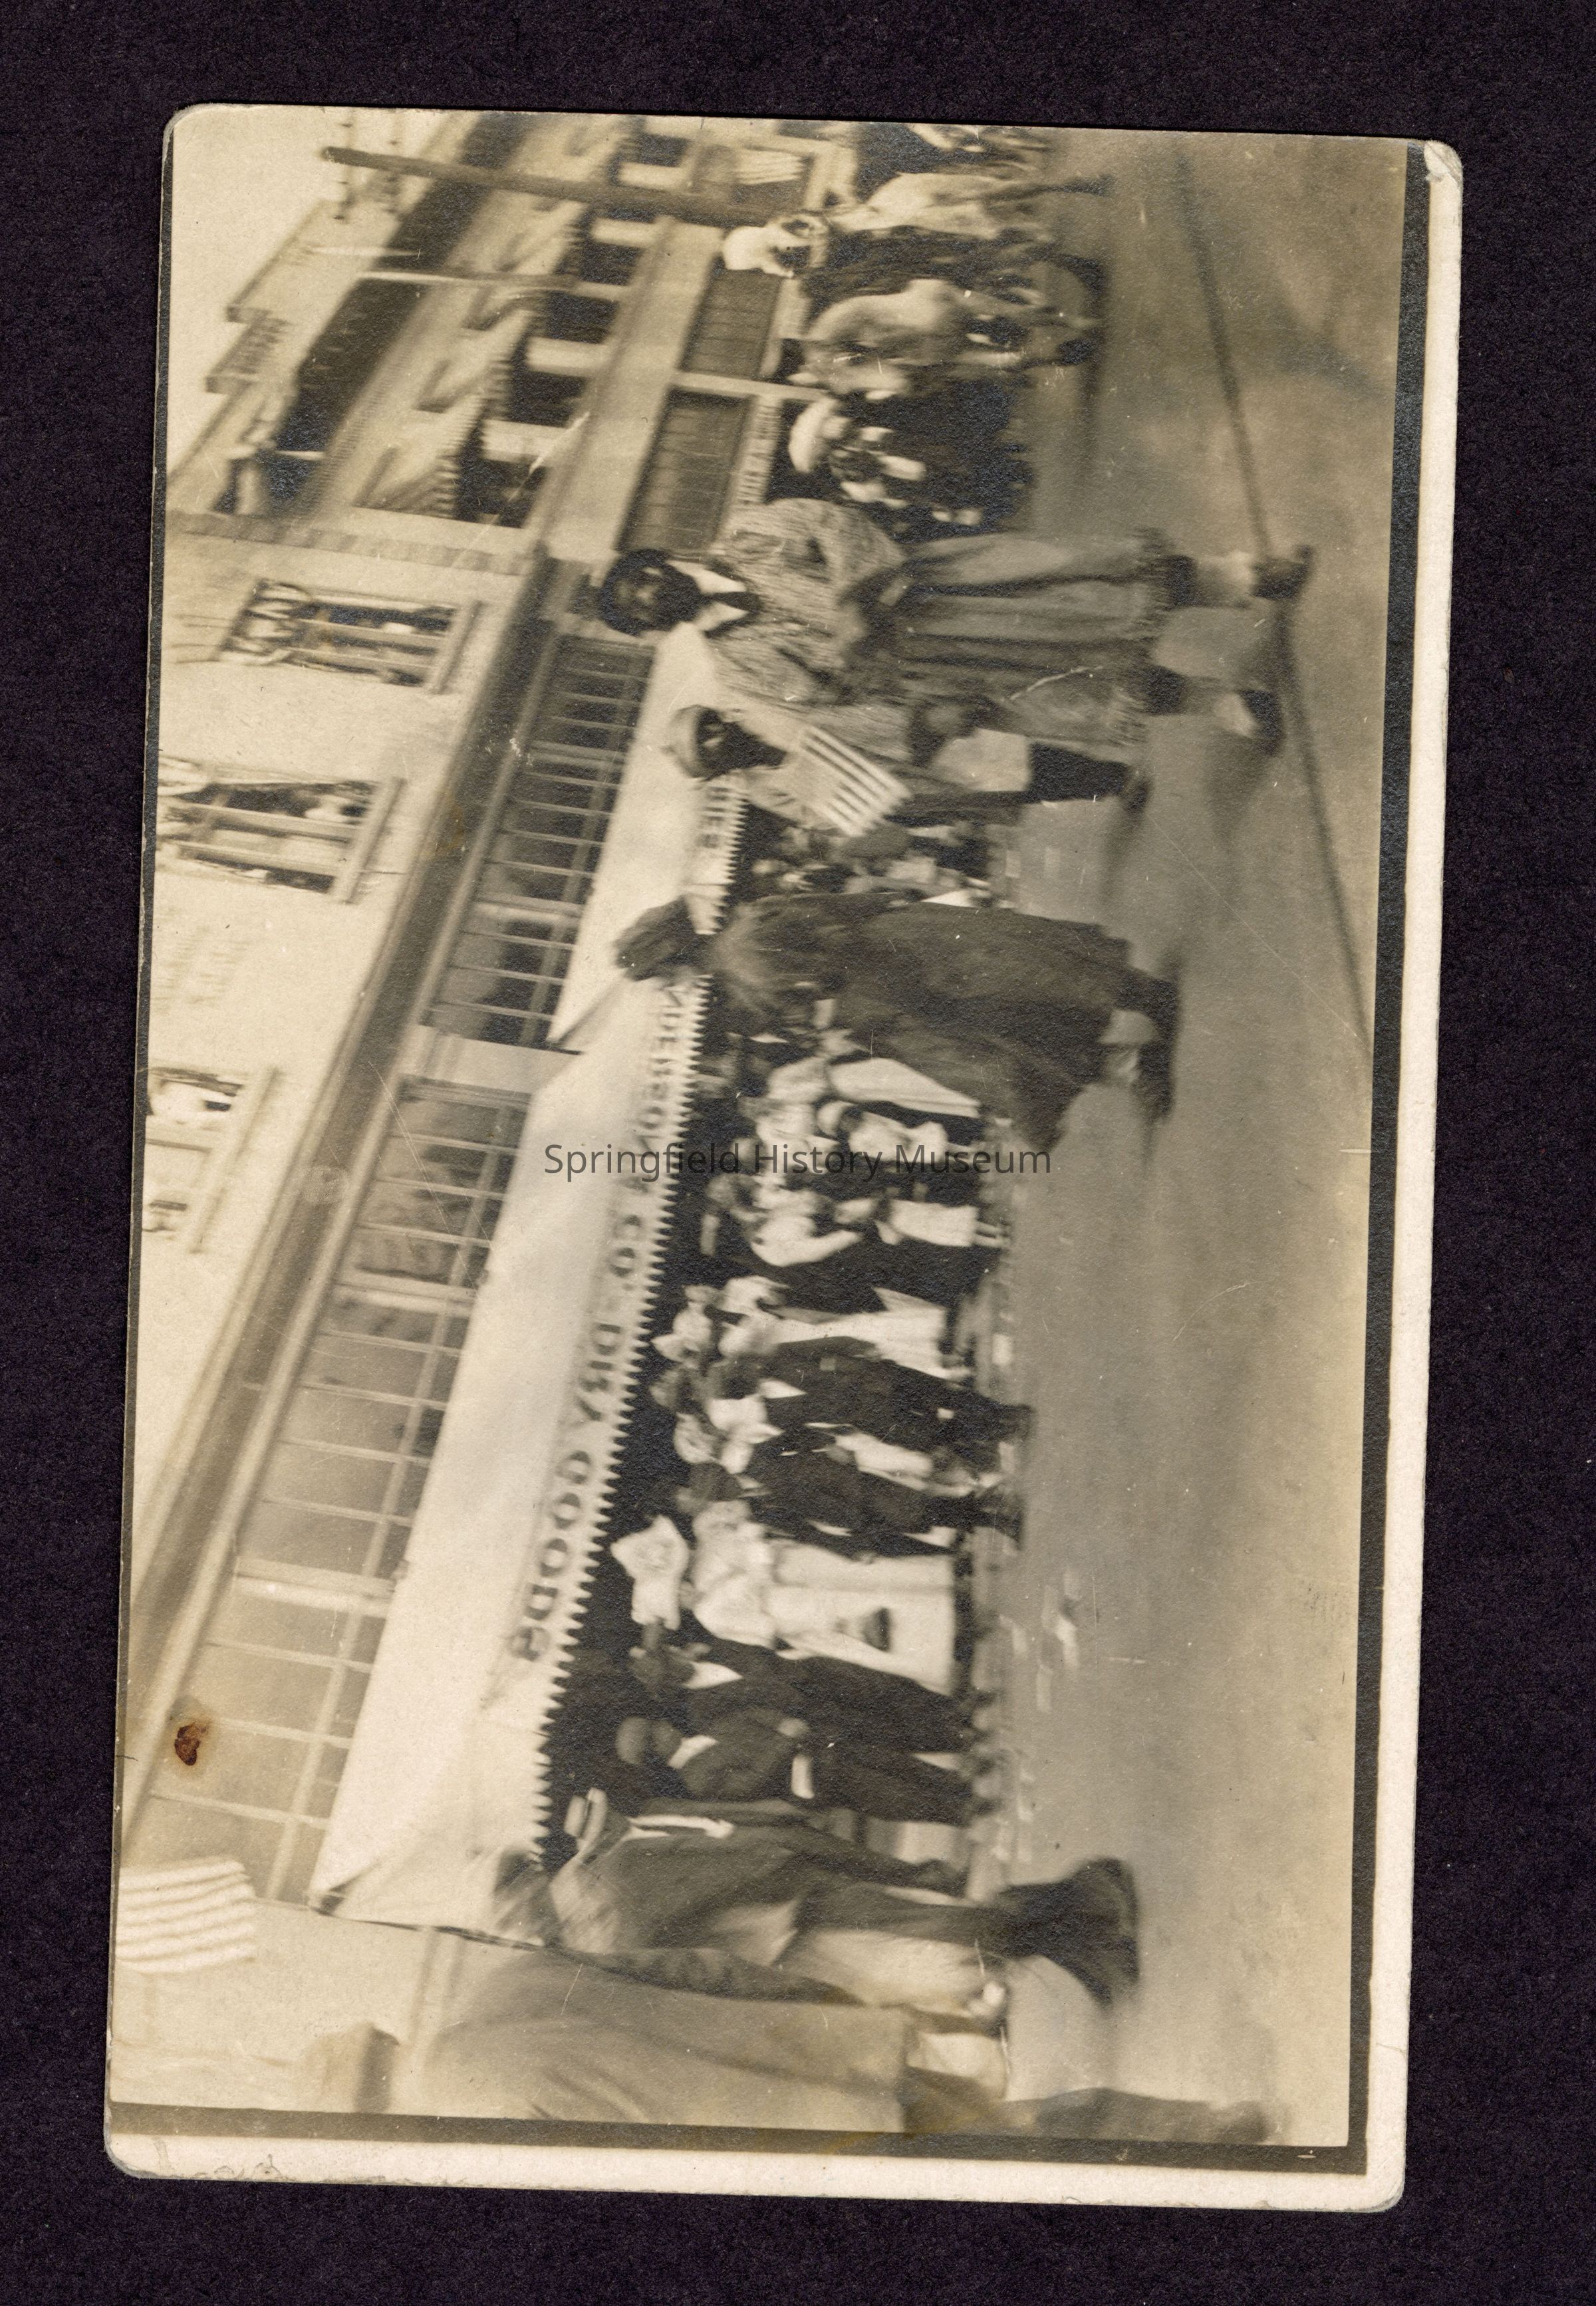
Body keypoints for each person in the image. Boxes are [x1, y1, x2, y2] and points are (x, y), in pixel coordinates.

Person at [596, 498, 1312, 765]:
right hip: (937, 675)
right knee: (1080, 695)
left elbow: (831, 522)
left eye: (644, 576)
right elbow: (827, 712)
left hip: (946, 590)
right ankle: (1219, 703)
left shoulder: (746, 536)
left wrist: (853, 600)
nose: (652, 593)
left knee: (1091, 587)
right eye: (640, 607)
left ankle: (1242, 577)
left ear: (658, 559)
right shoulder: (736, 670)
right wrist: (919, 724)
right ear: (651, 630)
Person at [616, 889, 1181, 1146]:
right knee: (1022, 1001)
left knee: (1022, 994)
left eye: (664, 978)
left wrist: (848, 1013)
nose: (672, 989)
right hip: (898, 973)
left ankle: (1140, 1026)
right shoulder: (744, 942)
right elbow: (843, 905)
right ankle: (1134, 1053)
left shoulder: (746, 960)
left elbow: (829, 964)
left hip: (902, 984)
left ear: (676, 960)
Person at [543, 1799, 1141, 2015]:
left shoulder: (615, 1882)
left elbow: (733, 1862)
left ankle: (1085, 1899)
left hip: (799, 1915)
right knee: (943, 1967)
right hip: (786, 1952)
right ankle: (1075, 1942)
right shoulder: (589, 1941)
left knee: (944, 1938)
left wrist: (792, 1878)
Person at [666, 700, 1149, 820]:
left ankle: (1112, 776)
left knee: (1010, 756)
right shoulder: (759, 787)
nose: (716, 737)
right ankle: (1103, 786)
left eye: (709, 726)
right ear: (715, 770)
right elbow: (814, 816)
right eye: (706, 747)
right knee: (1008, 787)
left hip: (896, 737)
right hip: (890, 785)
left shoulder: (763, 711)